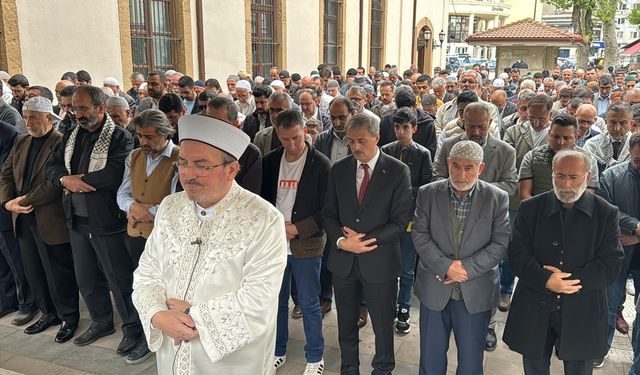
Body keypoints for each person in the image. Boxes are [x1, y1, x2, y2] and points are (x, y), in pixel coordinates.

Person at [132, 114, 288, 374]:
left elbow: (260, 298)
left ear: (232, 169)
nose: (188, 175)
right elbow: (148, 272)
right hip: (172, 345)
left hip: (230, 360)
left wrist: (195, 315)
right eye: (182, 164)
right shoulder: (170, 207)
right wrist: (157, 315)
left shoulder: (263, 218)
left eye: (202, 165)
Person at [46, 85, 145, 362]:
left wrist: (78, 182)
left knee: (119, 278)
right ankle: (101, 322)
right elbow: (53, 168)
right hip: (76, 220)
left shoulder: (120, 137)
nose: (76, 113)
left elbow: (114, 173)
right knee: (87, 278)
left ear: (100, 108)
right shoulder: (70, 134)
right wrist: (65, 180)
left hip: (106, 222)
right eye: (73, 108)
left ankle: (133, 329)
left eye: (82, 108)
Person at [504, 150, 623, 375]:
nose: (566, 183)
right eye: (560, 176)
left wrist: (566, 282)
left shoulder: (605, 213)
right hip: (535, 304)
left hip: (583, 308)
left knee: (579, 368)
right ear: (552, 175)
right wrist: (546, 279)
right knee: (534, 366)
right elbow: (517, 253)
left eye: (574, 177)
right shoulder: (531, 208)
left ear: (587, 177)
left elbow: (610, 263)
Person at [321, 113, 412, 374]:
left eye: (362, 141)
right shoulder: (339, 169)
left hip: (379, 262)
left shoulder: (397, 171)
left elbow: (400, 220)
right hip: (344, 263)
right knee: (346, 324)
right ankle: (349, 368)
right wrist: (341, 241)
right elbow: (328, 213)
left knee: (383, 325)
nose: (356, 147)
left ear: (377, 137)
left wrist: (362, 242)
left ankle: (382, 369)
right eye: (351, 142)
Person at [413, 140, 509, 374]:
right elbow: (419, 234)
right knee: (431, 357)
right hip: (434, 288)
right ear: (448, 164)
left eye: (469, 168)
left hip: (475, 291)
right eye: (456, 166)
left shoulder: (497, 198)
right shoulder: (427, 193)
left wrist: (465, 269)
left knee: (470, 361)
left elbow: (500, 243)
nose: (461, 174)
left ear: (481, 168)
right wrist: (446, 266)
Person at [0, 97, 79, 342]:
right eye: (25, 117)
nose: (28, 122)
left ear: (48, 118)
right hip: (22, 218)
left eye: (33, 117)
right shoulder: (22, 141)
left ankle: (69, 317)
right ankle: (48, 313)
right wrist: (7, 203)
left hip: (49, 218)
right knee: (34, 270)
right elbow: (6, 173)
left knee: (58, 271)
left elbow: (54, 183)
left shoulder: (61, 142)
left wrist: (22, 202)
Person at [261, 109, 330, 374]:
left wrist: (296, 228)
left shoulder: (320, 164)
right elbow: (262, 202)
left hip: (306, 244)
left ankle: (315, 356)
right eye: (285, 139)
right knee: (276, 301)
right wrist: (277, 227)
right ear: (277, 135)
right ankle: (278, 349)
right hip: (275, 244)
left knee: (310, 302)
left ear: (306, 131)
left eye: (296, 138)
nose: (291, 145)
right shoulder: (269, 162)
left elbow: (327, 209)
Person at [380, 107, 433, 334]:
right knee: (388, 265)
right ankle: (389, 304)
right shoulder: (385, 150)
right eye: (397, 127)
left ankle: (404, 307)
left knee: (408, 269)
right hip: (386, 219)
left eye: (405, 127)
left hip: (410, 219)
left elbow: (426, 187)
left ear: (414, 128)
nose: (401, 132)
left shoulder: (422, 154)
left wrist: (402, 189)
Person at [0, 120, 36, 326]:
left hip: (5, 205)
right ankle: (7, 300)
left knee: (15, 259)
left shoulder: (8, 133)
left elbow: (5, 173)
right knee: (2, 261)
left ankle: (27, 304)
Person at [205, 96, 263, 194]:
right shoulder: (199, 149)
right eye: (209, 122)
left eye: (219, 124)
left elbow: (250, 195)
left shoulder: (250, 153)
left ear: (235, 124)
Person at [585, 103, 632, 176]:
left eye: (623, 123)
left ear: (631, 123)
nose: (617, 128)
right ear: (606, 122)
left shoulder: (636, 146)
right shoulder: (592, 145)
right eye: (612, 122)